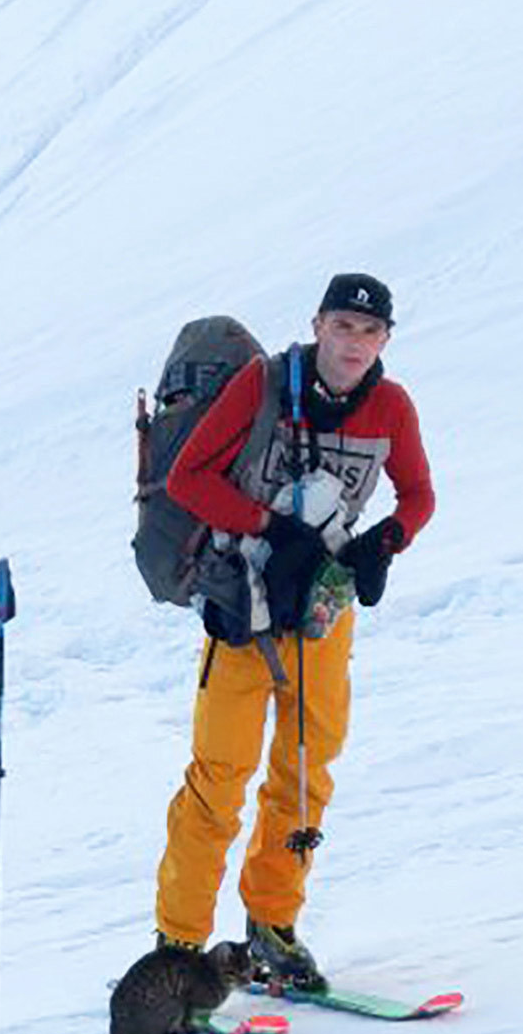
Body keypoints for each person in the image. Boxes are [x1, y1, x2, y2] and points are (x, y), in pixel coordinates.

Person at [152, 273, 435, 991]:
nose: (355, 344)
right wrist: (272, 528)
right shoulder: (264, 385)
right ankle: (178, 947)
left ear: (386, 342)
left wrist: (386, 541)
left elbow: (421, 493)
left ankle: (273, 924)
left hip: (320, 611)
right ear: (317, 325)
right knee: (220, 775)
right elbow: (189, 479)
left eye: (370, 333)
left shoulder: (391, 407)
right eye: (343, 327)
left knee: (305, 774)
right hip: (242, 602)